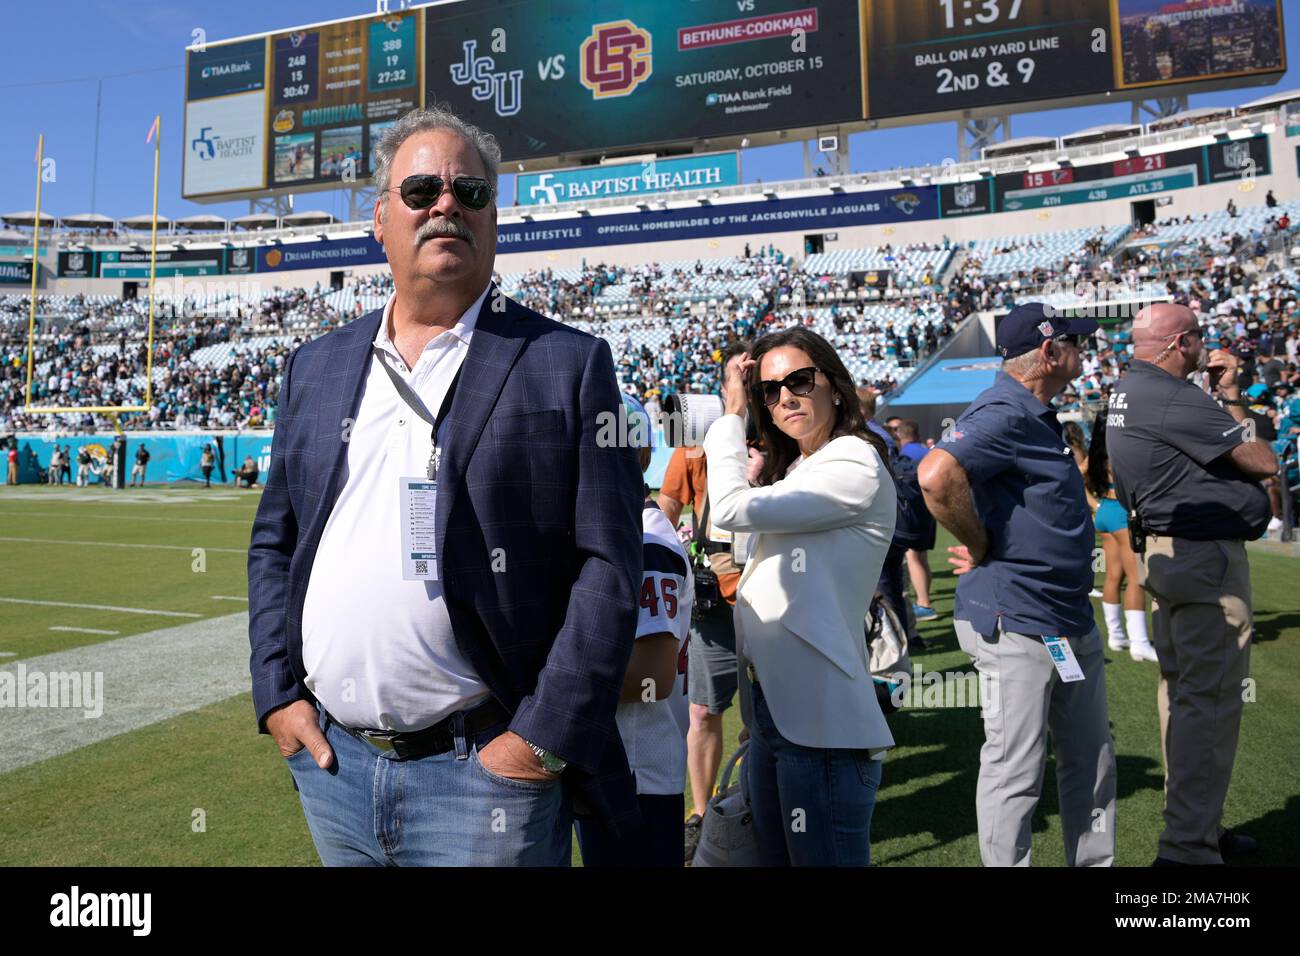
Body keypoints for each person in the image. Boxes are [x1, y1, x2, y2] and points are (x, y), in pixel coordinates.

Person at [247, 105, 644, 867]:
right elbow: (276, 539)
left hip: (486, 776)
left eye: (470, 191)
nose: (446, 205)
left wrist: (538, 742)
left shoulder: (567, 362)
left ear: (494, 219)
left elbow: (610, 566)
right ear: (380, 218)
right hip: (333, 764)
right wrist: (277, 696)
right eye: (422, 187)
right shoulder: (317, 365)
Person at [919, 302, 1116, 867]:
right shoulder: (1006, 409)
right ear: (1049, 353)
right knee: (1016, 768)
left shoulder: (1032, 411)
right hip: (1019, 620)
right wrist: (980, 545)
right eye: (1075, 343)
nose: (1084, 351)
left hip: (1065, 617)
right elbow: (937, 475)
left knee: (1092, 758)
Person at [705, 325, 897, 866]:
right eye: (769, 388)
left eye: (799, 380)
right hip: (777, 713)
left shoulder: (853, 461)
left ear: (834, 386)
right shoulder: (801, 467)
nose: (784, 396)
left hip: (821, 726)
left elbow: (730, 512)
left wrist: (730, 414)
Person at [1105, 303, 1276, 866]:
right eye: (1200, 338)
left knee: (1180, 695)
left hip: (1166, 554)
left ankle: (1197, 826)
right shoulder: (1177, 396)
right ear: (1181, 343)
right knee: (1208, 702)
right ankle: (1186, 850)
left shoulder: (1130, 388)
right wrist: (1230, 393)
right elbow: (1263, 459)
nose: (1207, 347)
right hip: (1202, 560)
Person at [576, 393, 693, 867]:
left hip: (636, 773)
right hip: (614, 764)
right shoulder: (620, 530)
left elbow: (652, 677)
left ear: (642, 454)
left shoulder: (645, 542)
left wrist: (548, 696)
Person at [657, 340, 750, 863]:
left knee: (773, 713)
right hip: (715, 596)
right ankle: (702, 810)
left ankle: (766, 801)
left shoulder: (785, 439)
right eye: (736, 372)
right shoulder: (694, 445)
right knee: (702, 712)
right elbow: (667, 512)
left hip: (773, 596)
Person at [1085, 416, 1157, 661]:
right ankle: (1139, 642)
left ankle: (1116, 636)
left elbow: (1077, 473)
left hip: (1105, 510)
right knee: (1137, 577)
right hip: (1122, 513)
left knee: (1114, 576)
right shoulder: (1121, 448)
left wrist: (1094, 503)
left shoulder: (1095, 452)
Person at [895, 419, 937, 619]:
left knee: (913, 557)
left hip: (914, 512)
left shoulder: (905, 455)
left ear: (899, 436)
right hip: (929, 510)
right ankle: (925, 598)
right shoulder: (926, 451)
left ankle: (924, 603)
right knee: (921, 557)